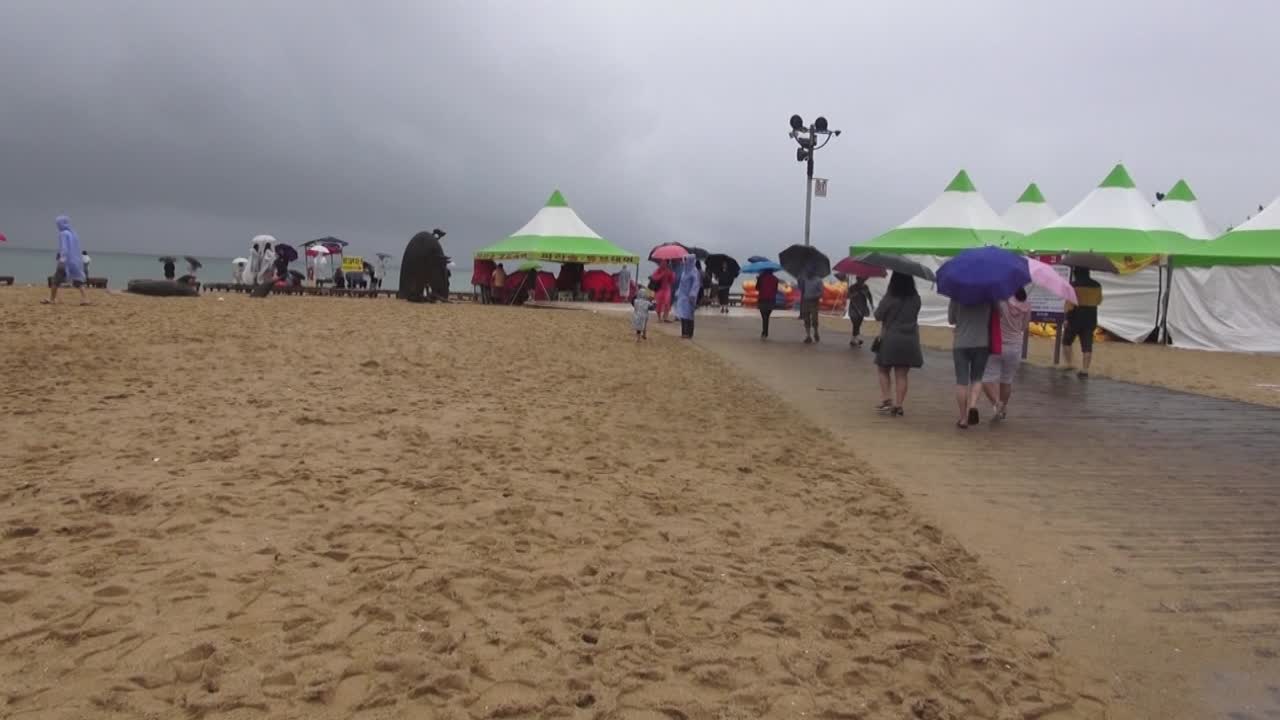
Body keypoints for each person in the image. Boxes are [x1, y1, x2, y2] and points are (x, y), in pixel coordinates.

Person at [873, 272, 922, 415]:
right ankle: (899, 405)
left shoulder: (890, 297)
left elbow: (878, 315)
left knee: (883, 369)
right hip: (910, 339)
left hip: (891, 338)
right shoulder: (916, 299)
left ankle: (887, 400)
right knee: (902, 375)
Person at [982, 288, 1032, 420]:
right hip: (1015, 346)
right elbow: (1024, 327)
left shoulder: (1001, 301)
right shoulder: (1027, 304)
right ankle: (1002, 408)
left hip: (997, 344)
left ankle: (996, 404)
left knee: (986, 378)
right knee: (1007, 380)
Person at [948, 298, 992, 429]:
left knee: (961, 381)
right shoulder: (988, 294)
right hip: (982, 342)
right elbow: (996, 316)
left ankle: (963, 418)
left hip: (961, 343)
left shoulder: (956, 295)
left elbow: (951, 319)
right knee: (977, 378)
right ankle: (973, 405)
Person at [1063, 268, 1102, 379]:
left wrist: (1066, 318)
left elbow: (1069, 304)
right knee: (1087, 345)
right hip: (1090, 318)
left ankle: (1069, 364)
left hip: (1075, 317)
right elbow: (1099, 301)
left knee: (1067, 341)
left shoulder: (1073, 285)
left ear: (1076, 274)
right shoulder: (1097, 285)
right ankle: (1085, 370)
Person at [45, 216, 88, 305]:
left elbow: (64, 248)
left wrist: (61, 258)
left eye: (58, 224)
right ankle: (85, 299)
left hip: (65, 261)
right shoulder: (72, 233)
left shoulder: (63, 234)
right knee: (78, 281)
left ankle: (52, 299)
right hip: (74, 261)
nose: (57, 226)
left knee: (55, 280)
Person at [674, 255, 701, 339]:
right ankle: (684, 333)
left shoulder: (694, 272)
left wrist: (692, 294)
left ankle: (689, 333)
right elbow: (681, 283)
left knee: (689, 315)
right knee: (682, 314)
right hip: (682, 296)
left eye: (686, 260)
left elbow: (696, 284)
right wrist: (678, 291)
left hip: (690, 297)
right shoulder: (684, 271)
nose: (685, 261)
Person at [847, 276, 874, 347]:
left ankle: (854, 339)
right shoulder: (852, 287)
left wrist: (871, 304)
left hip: (862, 308)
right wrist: (854, 294)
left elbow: (869, 296)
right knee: (855, 322)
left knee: (858, 323)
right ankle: (855, 339)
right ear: (857, 279)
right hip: (853, 308)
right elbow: (847, 296)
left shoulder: (865, 287)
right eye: (861, 280)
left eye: (863, 280)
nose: (862, 281)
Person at [798, 271, 824, 344]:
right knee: (806, 319)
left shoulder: (818, 280)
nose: (808, 272)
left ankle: (816, 332)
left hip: (814, 302)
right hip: (805, 301)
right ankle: (808, 336)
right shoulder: (804, 279)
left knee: (814, 319)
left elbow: (821, 292)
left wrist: (815, 295)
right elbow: (801, 288)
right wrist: (799, 280)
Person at [756, 269, 779, 339]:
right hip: (771, 300)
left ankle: (764, 332)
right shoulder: (775, 279)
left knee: (764, 317)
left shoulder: (761, 278)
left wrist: (758, 279)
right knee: (767, 316)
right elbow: (775, 290)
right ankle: (765, 332)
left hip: (762, 299)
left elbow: (757, 288)